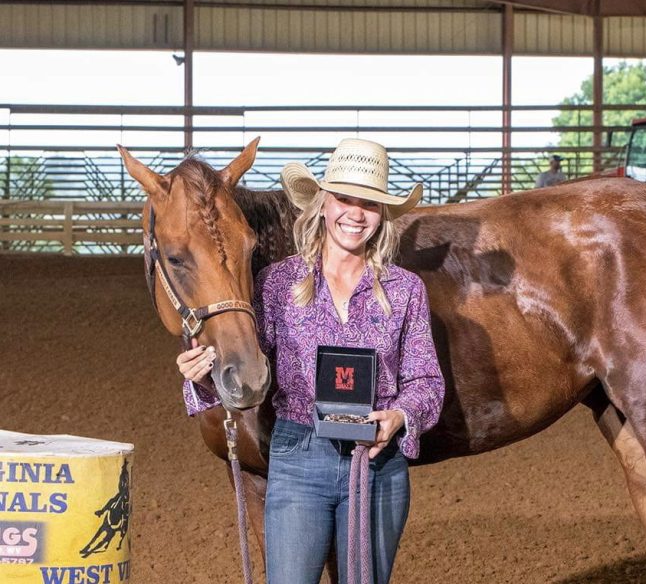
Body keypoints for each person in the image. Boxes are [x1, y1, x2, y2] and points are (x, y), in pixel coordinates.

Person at [176, 138, 445, 584]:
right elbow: (250, 375)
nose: (355, 214)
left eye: (369, 203)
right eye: (344, 199)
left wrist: (399, 415)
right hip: (299, 458)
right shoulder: (277, 283)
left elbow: (426, 381)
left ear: (382, 214)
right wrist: (203, 377)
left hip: (376, 464)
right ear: (322, 204)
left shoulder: (405, 290)